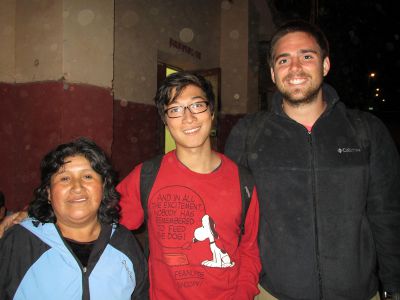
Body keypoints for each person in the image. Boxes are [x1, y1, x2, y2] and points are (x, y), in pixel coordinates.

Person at [225, 20, 400, 300]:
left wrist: (393, 286)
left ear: (325, 65)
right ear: (273, 73)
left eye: (307, 56)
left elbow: (388, 215)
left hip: (358, 293)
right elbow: (231, 219)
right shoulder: (248, 134)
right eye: (284, 60)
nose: (295, 68)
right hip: (271, 293)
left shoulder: (365, 130)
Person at [117, 71, 261, 300]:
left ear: (212, 112)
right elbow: (105, 229)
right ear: (165, 121)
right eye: (175, 110)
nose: (188, 118)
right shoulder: (146, 176)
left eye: (197, 106)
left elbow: (249, 250)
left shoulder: (243, 180)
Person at [0, 137, 148, 300]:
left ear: (103, 187)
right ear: (48, 192)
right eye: (64, 178)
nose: (77, 187)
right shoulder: (19, 242)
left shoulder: (124, 242)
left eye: (87, 177)